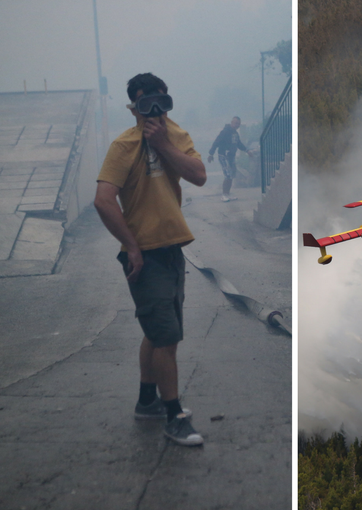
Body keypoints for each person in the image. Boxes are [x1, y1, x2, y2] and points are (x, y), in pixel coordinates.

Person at [94, 73, 207, 446]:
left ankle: (147, 401)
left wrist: (162, 144)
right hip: (144, 254)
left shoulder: (176, 136)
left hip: (172, 249)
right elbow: (103, 200)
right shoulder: (123, 146)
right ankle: (174, 416)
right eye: (146, 105)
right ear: (133, 108)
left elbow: (198, 176)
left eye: (161, 102)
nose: (155, 111)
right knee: (166, 338)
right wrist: (131, 246)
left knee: (158, 334)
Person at [207, 116, 254, 201]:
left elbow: (239, 144)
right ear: (232, 123)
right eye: (235, 123)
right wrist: (211, 154)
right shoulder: (225, 132)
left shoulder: (235, 134)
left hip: (231, 157)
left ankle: (227, 194)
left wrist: (247, 150)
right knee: (228, 174)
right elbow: (216, 142)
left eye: (238, 124)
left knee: (231, 175)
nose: (237, 125)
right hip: (223, 156)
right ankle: (224, 195)